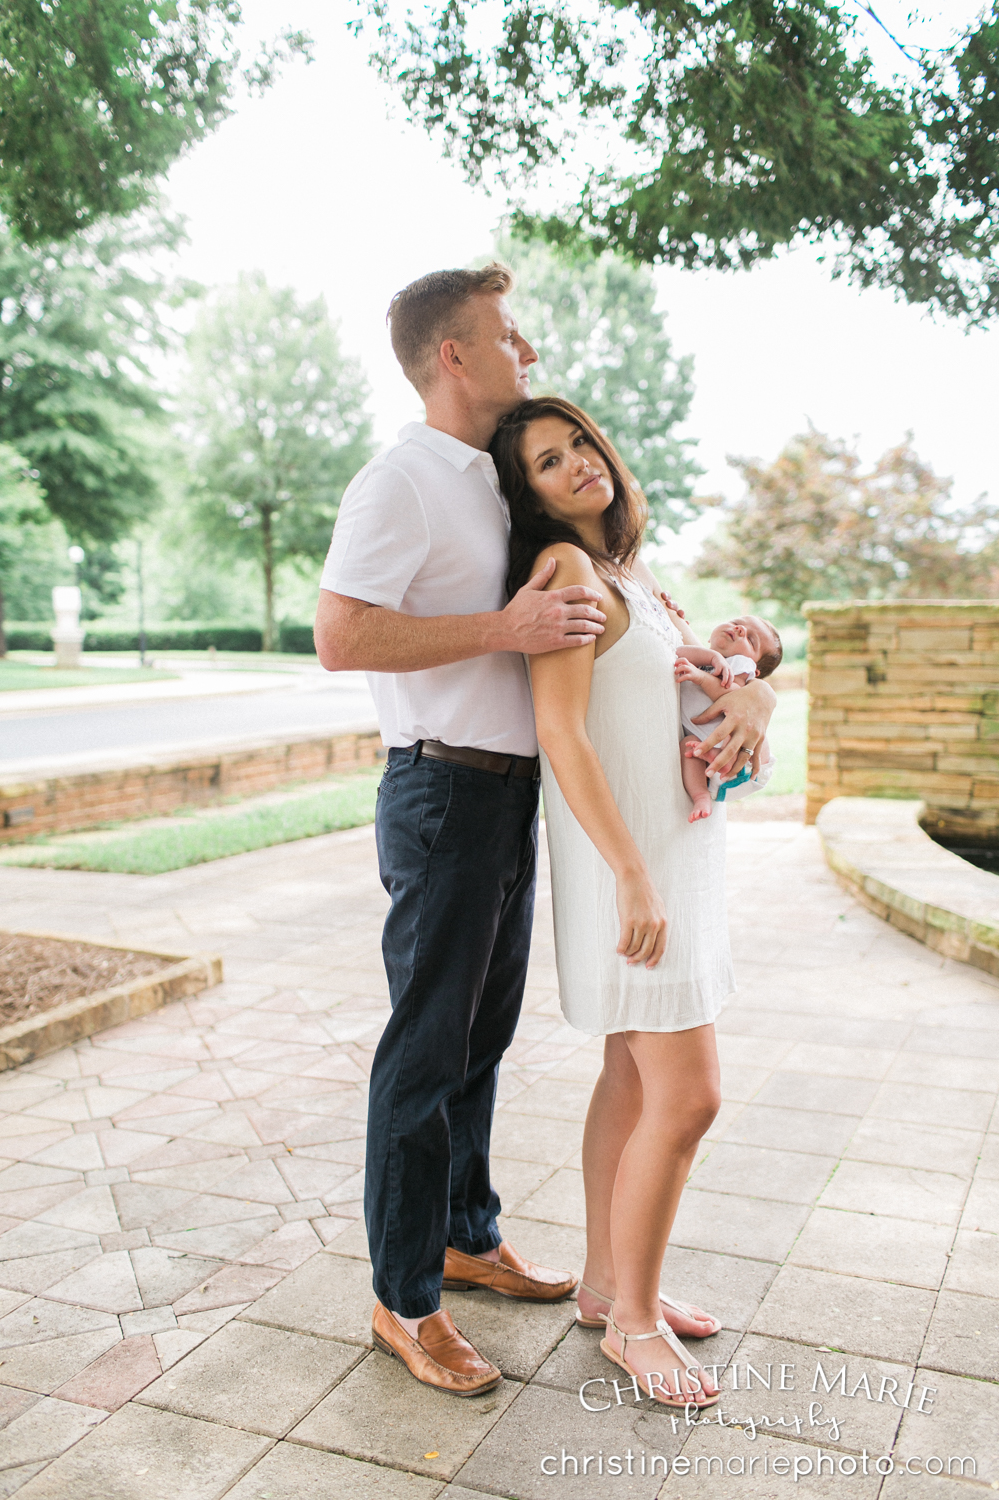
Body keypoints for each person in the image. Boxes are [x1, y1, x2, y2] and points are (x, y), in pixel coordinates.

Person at [314, 267, 773, 1397]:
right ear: (454, 354)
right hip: (441, 792)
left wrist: (752, 667)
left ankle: (467, 1233)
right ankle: (404, 1298)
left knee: (480, 1043)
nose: (527, 346)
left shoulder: (491, 481)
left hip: (515, 799)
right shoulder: (401, 483)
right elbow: (338, 636)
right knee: (424, 1050)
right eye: (507, 335)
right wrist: (504, 625)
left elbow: (622, 651)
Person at [489, 395, 776, 1409]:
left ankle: (609, 1286)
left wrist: (750, 667)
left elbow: (667, 699)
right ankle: (636, 1328)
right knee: (688, 1096)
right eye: (546, 463)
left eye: (579, 446)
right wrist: (629, 874)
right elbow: (562, 733)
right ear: (527, 497)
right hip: (631, 867)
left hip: (668, 855)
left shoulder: (627, 574)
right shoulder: (563, 573)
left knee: (628, 1068)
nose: (575, 466)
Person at [674, 617, 782, 819]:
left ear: (754, 669)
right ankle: (700, 795)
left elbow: (732, 695)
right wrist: (709, 655)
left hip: (743, 756)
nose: (740, 629)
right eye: (736, 622)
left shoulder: (739, 665)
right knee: (689, 747)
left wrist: (701, 677)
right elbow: (676, 652)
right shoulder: (707, 657)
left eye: (751, 640)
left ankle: (720, 758)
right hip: (707, 744)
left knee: (733, 741)